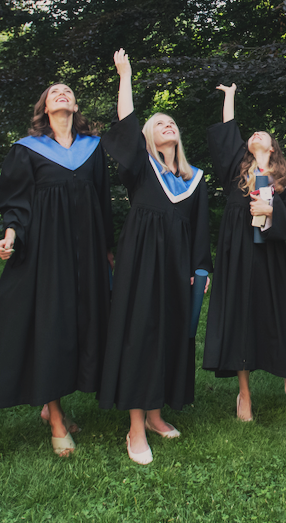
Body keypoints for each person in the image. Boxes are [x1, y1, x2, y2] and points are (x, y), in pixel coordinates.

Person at [0, 83, 113, 456]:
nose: (61, 93)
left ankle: (53, 403)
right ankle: (55, 416)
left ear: (75, 105)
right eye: (53, 91)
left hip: (87, 253)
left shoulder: (93, 149)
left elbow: (102, 199)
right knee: (49, 326)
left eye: (68, 91)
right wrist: (11, 235)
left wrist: (107, 249)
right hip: (45, 251)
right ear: (44, 106)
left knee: (83, 324)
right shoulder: (27, 150)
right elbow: (16, 201)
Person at [99, 50, 211, 466]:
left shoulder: (193, 178)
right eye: (159, 123)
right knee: (140, 332)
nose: (168, 125)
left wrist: (199, 271)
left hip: (177, 264)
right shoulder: (140, 168)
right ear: (147, 138)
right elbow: (126, 125)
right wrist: (126, 75)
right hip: (141, 257)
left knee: (168, 331)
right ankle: (134, 426)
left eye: (172, 123)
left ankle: (156, 414)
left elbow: (200, 229)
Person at [203, 82, 286, 420]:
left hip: (271, 254)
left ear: (274, 148)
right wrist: (230, 97)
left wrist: (274, 212)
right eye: (252, 134)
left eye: (263, 134)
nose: (256, 135)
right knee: (240, 315)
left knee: (277, 309)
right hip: (238, 252)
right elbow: (228, 133)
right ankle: (244, 393)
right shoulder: (237, 174)